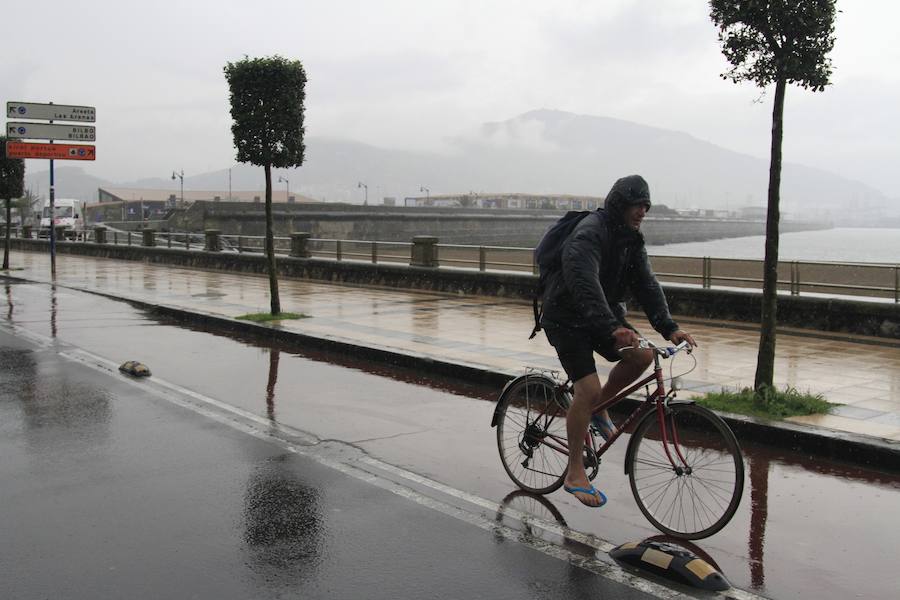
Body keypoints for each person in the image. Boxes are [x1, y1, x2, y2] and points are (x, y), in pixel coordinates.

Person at [540, 174, 696, 507]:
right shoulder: (590, 232)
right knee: (587, 389)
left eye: (646, 207)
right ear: (619, 204)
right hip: (565, 316)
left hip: (600, 316)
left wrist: (670, 328)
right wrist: (612, 326)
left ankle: (598, 409)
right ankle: (574, 473)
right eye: (637, 205)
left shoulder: (630, 240)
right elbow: (583, 282)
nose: (642, 212)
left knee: (642, 356)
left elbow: (647, 285)